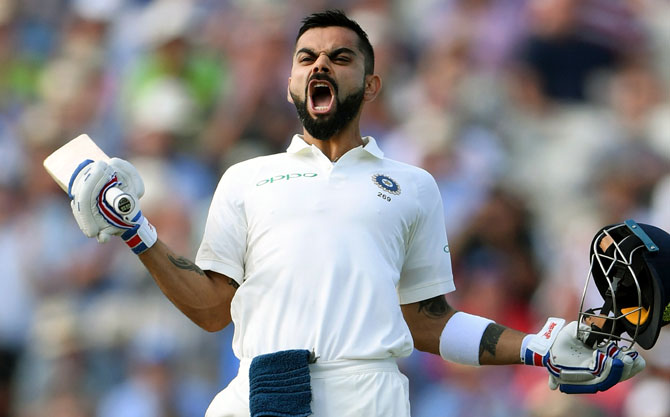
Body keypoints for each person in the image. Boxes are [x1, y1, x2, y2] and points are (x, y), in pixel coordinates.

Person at [67, 10, 645, 417]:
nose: (321, 65)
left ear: (370, 85)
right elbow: (215, 309)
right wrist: (135, 233)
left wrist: (536, 348)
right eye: (306, 58)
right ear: (291, 82)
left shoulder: (413, 186)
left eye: (339, 58)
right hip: (259, 395)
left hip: (366, 397)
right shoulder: (246, 178)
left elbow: (427, 321)